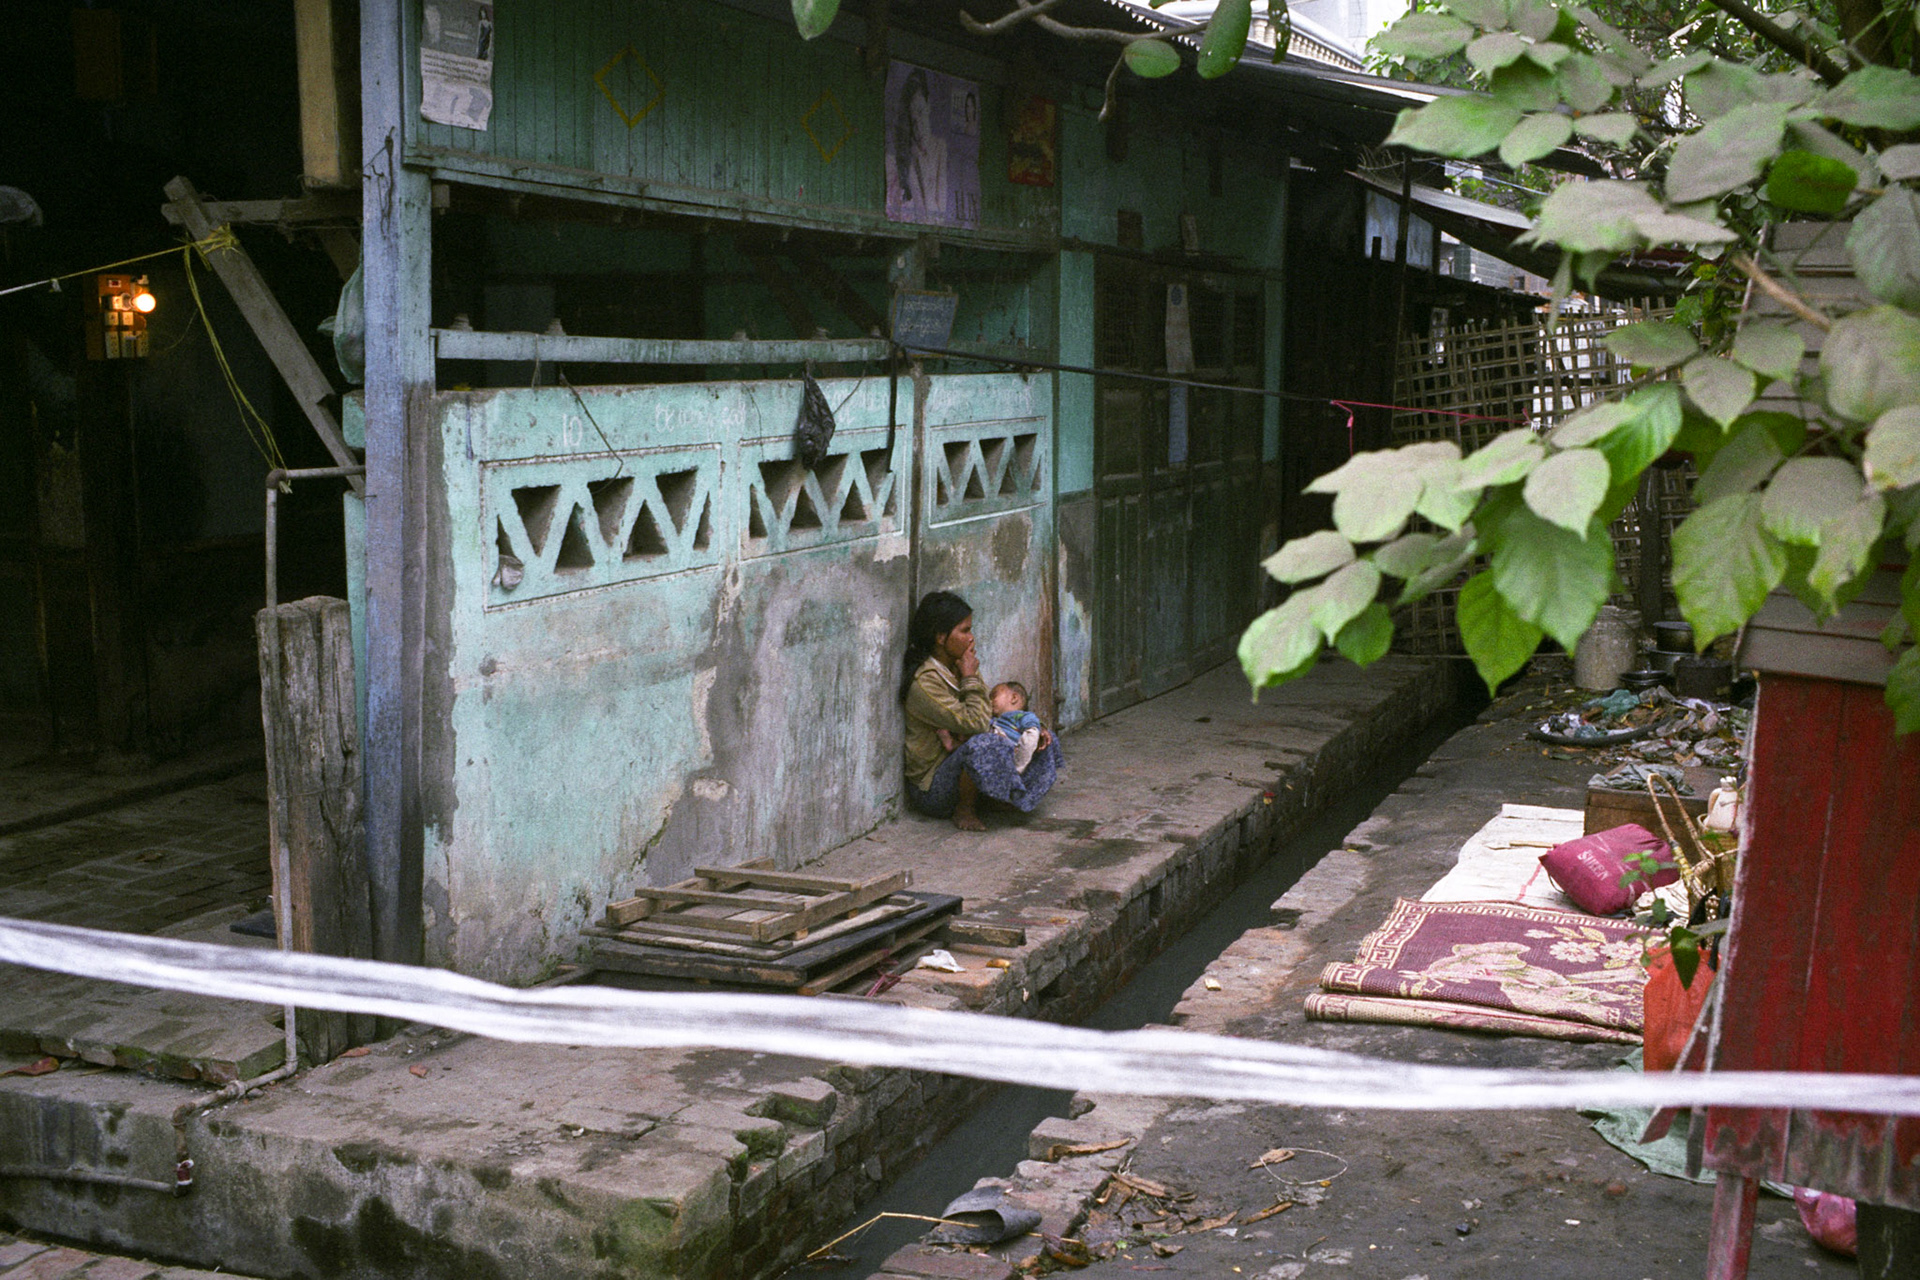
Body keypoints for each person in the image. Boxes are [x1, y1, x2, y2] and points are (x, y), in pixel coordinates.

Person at [901, 591, 1060, 830]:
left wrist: (1033, 727)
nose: (971, 638)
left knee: (1040, 737)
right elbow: (976, 723)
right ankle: (964, 809)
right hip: (934, 789)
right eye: (964, 631)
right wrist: (969, 676)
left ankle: (1001, 796)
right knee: (983, 743)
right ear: (941, 637)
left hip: (962, 761)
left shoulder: (959, 665)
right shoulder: (925, 682)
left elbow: (990, 711)